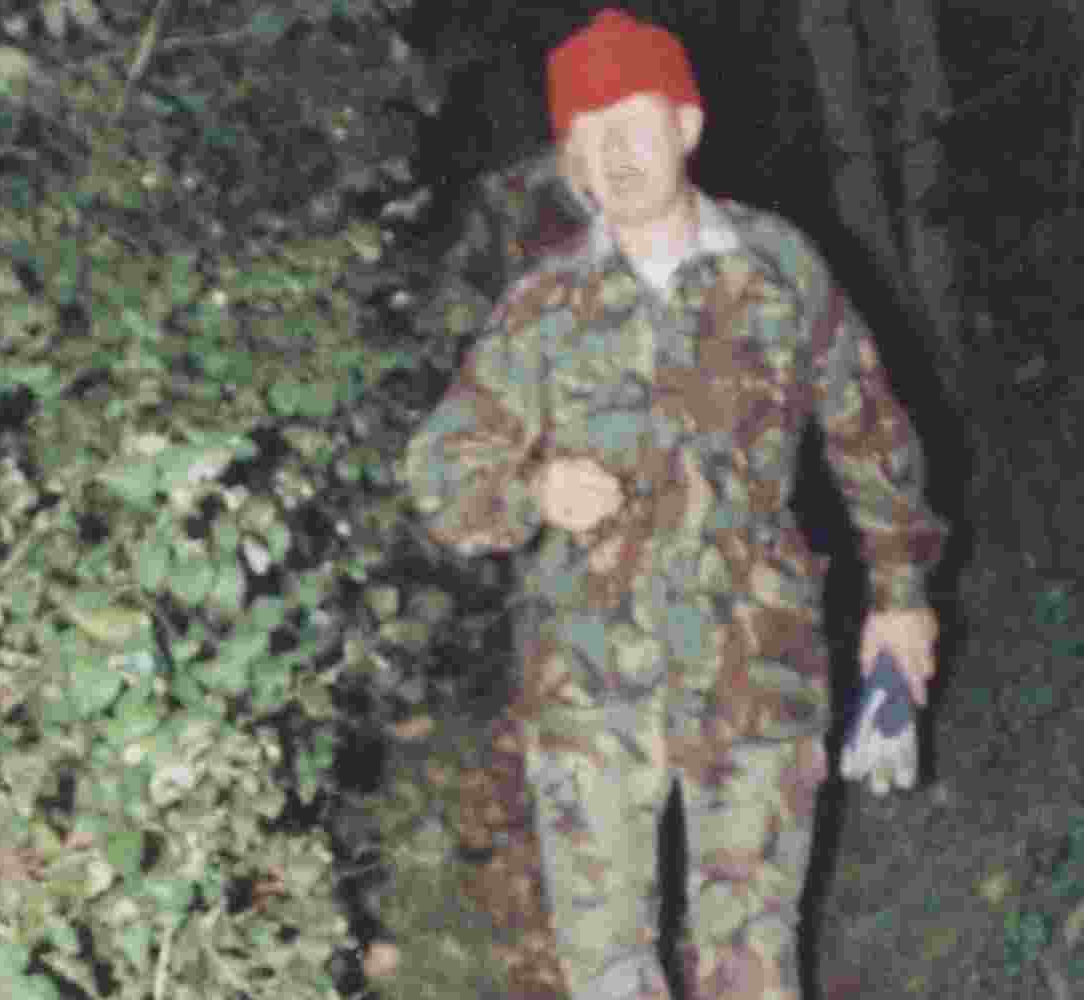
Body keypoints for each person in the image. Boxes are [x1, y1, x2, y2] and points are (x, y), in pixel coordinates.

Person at [401, 9, 949, 1000]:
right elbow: (439, 475)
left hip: (758, 671)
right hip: (588, 692)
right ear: (569, 164)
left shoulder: (779, 269)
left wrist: (901, 599)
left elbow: (871, 432)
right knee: (609, 973)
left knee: (752, 967)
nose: (612, 155)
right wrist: (531, 490)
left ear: (687, 125)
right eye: (586, 138)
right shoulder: (541, 308)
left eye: (632, 123)